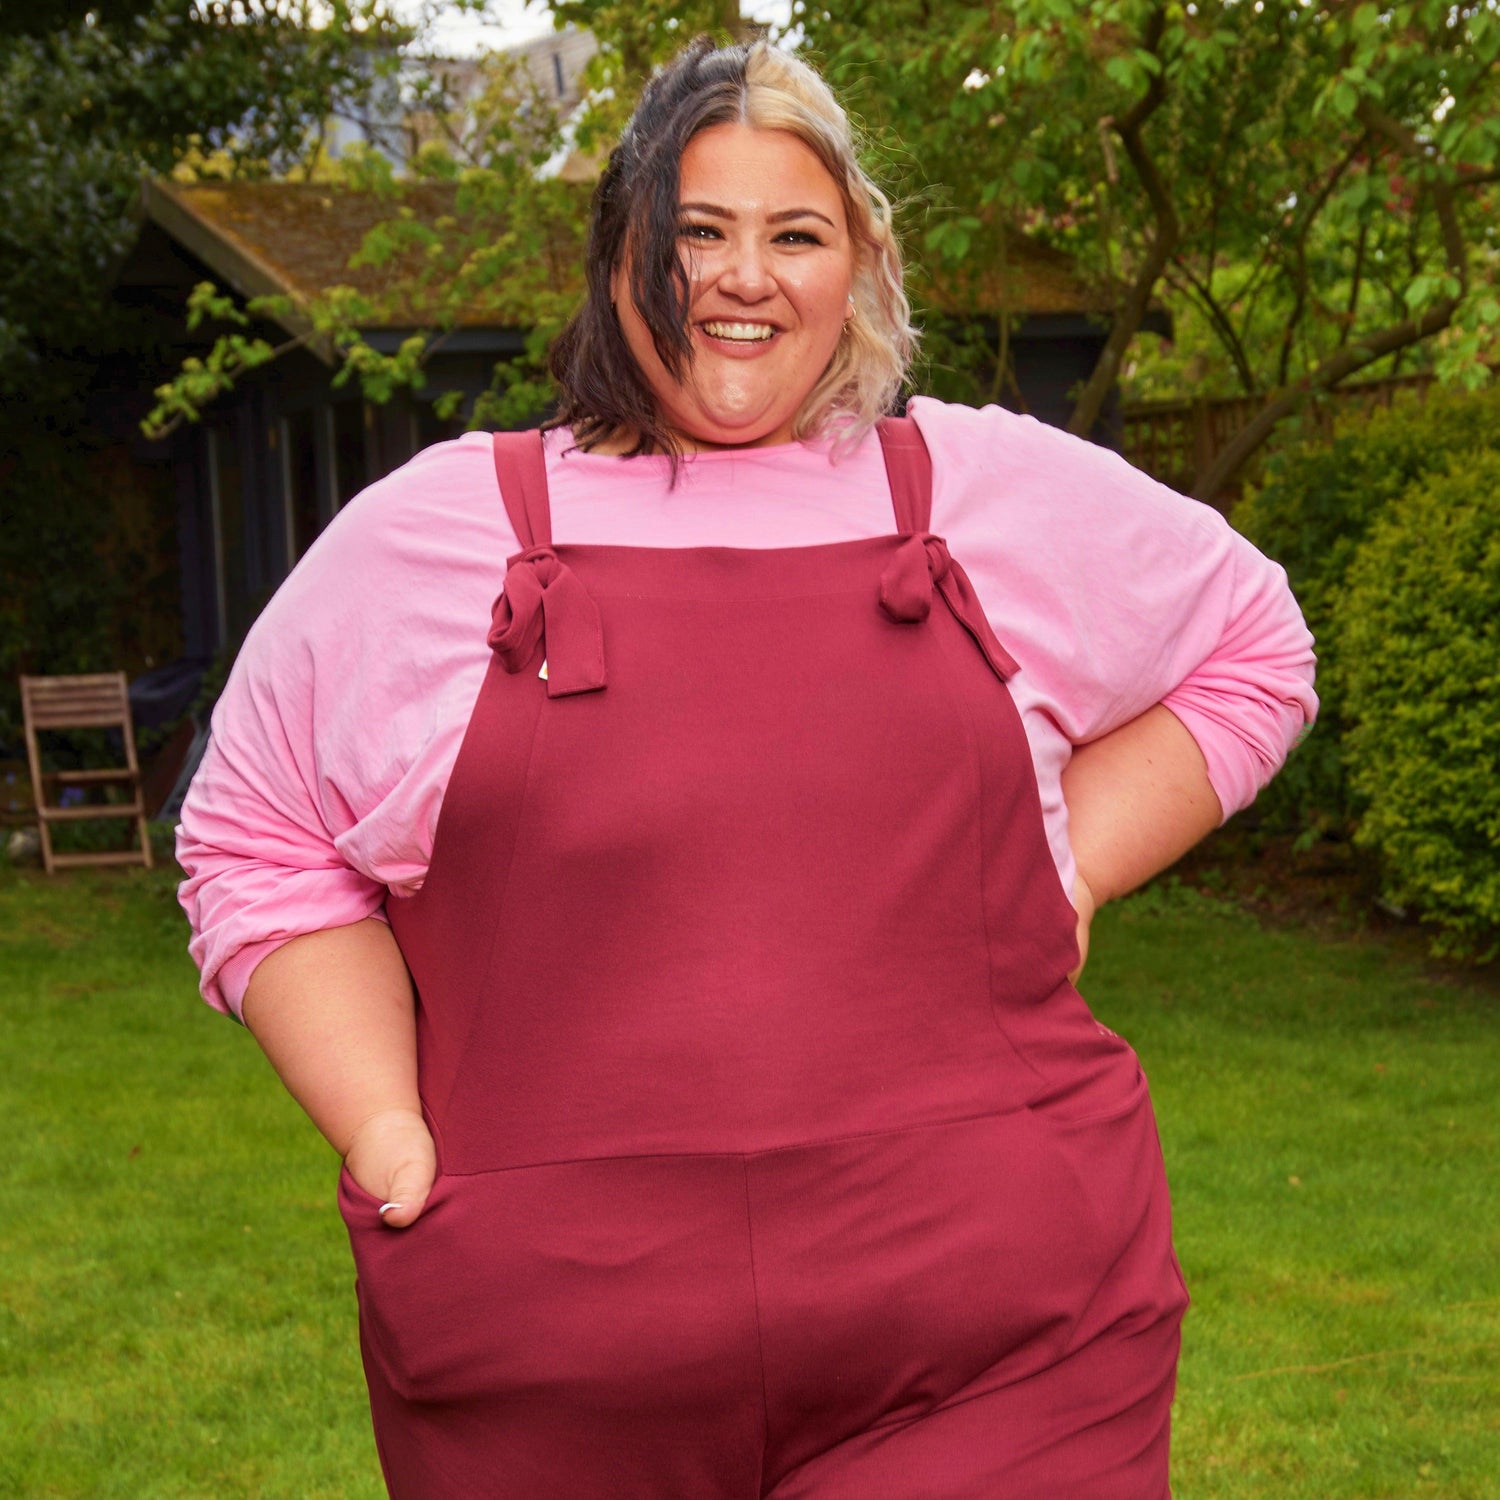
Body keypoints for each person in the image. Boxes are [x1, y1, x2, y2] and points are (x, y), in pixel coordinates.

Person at [177, 36, 1316, 1500]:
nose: (744, 276)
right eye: (696, 231)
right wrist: (383, 1122)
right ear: (619, 257)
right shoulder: (437, 535)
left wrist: (1068, 859)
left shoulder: (978, 493)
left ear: (860, 267)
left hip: (1002, 1346)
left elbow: (1252, 643)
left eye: (796, 234)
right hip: (551, 1370)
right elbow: (258, 831)